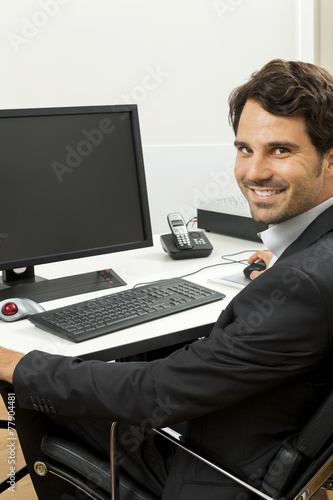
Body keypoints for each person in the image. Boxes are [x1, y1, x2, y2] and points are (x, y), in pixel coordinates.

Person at [1, 58, 333, 500]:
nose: (254, 172)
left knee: (30, 388)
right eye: (245, 149)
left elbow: (153, 395)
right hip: (263, 437)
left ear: (329, 159)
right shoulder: (311, 264)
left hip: (216, 474)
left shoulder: (303, 288)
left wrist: (15, 363)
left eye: (281, 150)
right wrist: (287, 259)